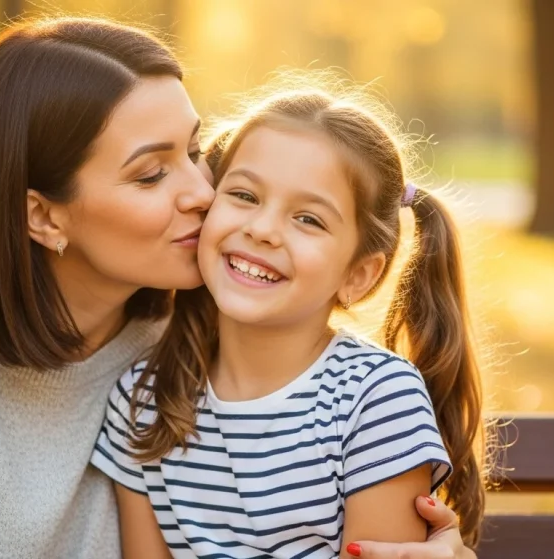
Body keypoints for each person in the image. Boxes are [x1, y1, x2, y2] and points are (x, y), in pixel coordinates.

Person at [0, 17, 477, 559]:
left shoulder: (194, 337)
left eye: (193, 151)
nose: (202, 193)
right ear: (43, 215)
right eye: (151, 174)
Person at [90, 78, 488, 558]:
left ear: (359, 275)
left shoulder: (376, 400)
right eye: (244, 195)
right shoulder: (143, 400)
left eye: (308, 219)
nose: (262, 230)